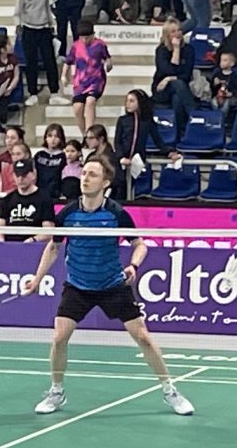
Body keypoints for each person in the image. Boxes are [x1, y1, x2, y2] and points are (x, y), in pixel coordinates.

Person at [19, 155, 195, 418]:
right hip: (78, 285)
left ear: (105, 182)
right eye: (84, 173)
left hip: (113, 284)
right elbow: (54, 247)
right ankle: (57, 391)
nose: (85, 178)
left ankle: (170, 390)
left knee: (144, 338)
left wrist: (134, 266)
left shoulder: (115, 213)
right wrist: (37, 278)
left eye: (92, 174)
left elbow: (140, 245)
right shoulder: (68, 214)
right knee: (59, 337)